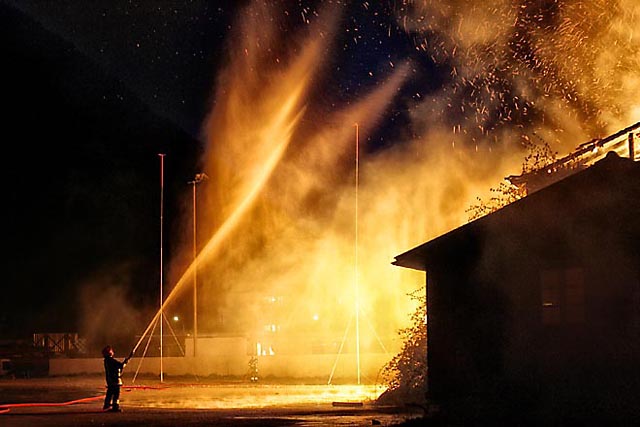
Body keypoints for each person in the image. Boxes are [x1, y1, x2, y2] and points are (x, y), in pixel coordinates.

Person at [102, 345, 131, 412]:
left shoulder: (107, 361)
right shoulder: (111, 360)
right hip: (115, 380)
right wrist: (126, 362)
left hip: (110, 380)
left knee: (110, 393)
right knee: (116, 394)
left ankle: (107, 405)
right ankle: (115, 407)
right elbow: (120, 366)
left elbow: (118, 367)